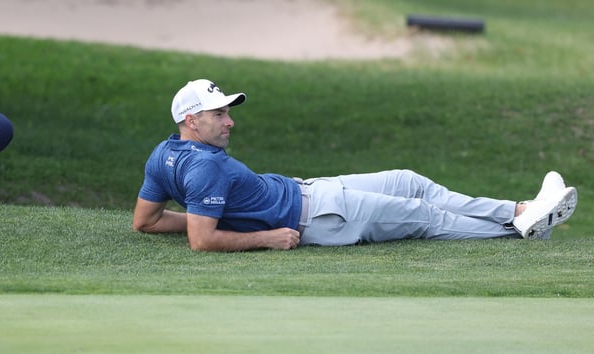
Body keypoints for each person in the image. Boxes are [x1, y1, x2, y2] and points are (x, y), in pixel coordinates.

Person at [133, 79, 578, 251]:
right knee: (425, 217)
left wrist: (201, 213)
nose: (230, 121)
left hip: (311, 190)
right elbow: (201, 240)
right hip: (320, 216)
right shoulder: (205, 168)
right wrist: (264, 237)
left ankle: (521, 212)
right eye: (219, 115)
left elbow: (145, 222)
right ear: (190, 120)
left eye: (228, 112)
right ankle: (520, 226)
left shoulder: (164, 153)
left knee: (409, 181)